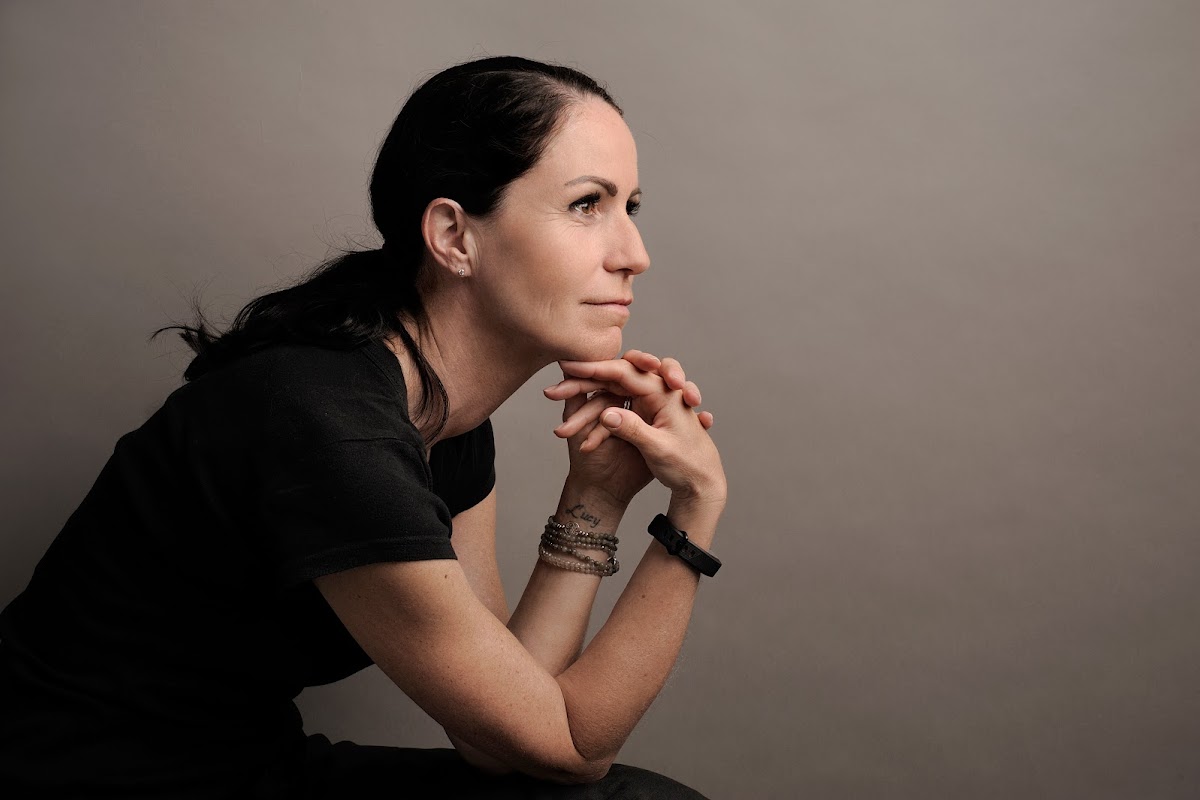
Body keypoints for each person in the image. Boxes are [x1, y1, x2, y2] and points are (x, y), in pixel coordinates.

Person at [0, 56, 726, 798]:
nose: (634, 256)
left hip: (247, 767)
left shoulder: (445, 419)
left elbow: (499, 739)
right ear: (454, 236)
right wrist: (693, 512)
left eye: (630, 207)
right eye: (586, 205)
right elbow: (566, 747)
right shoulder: (329, 424)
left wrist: (595, 499)